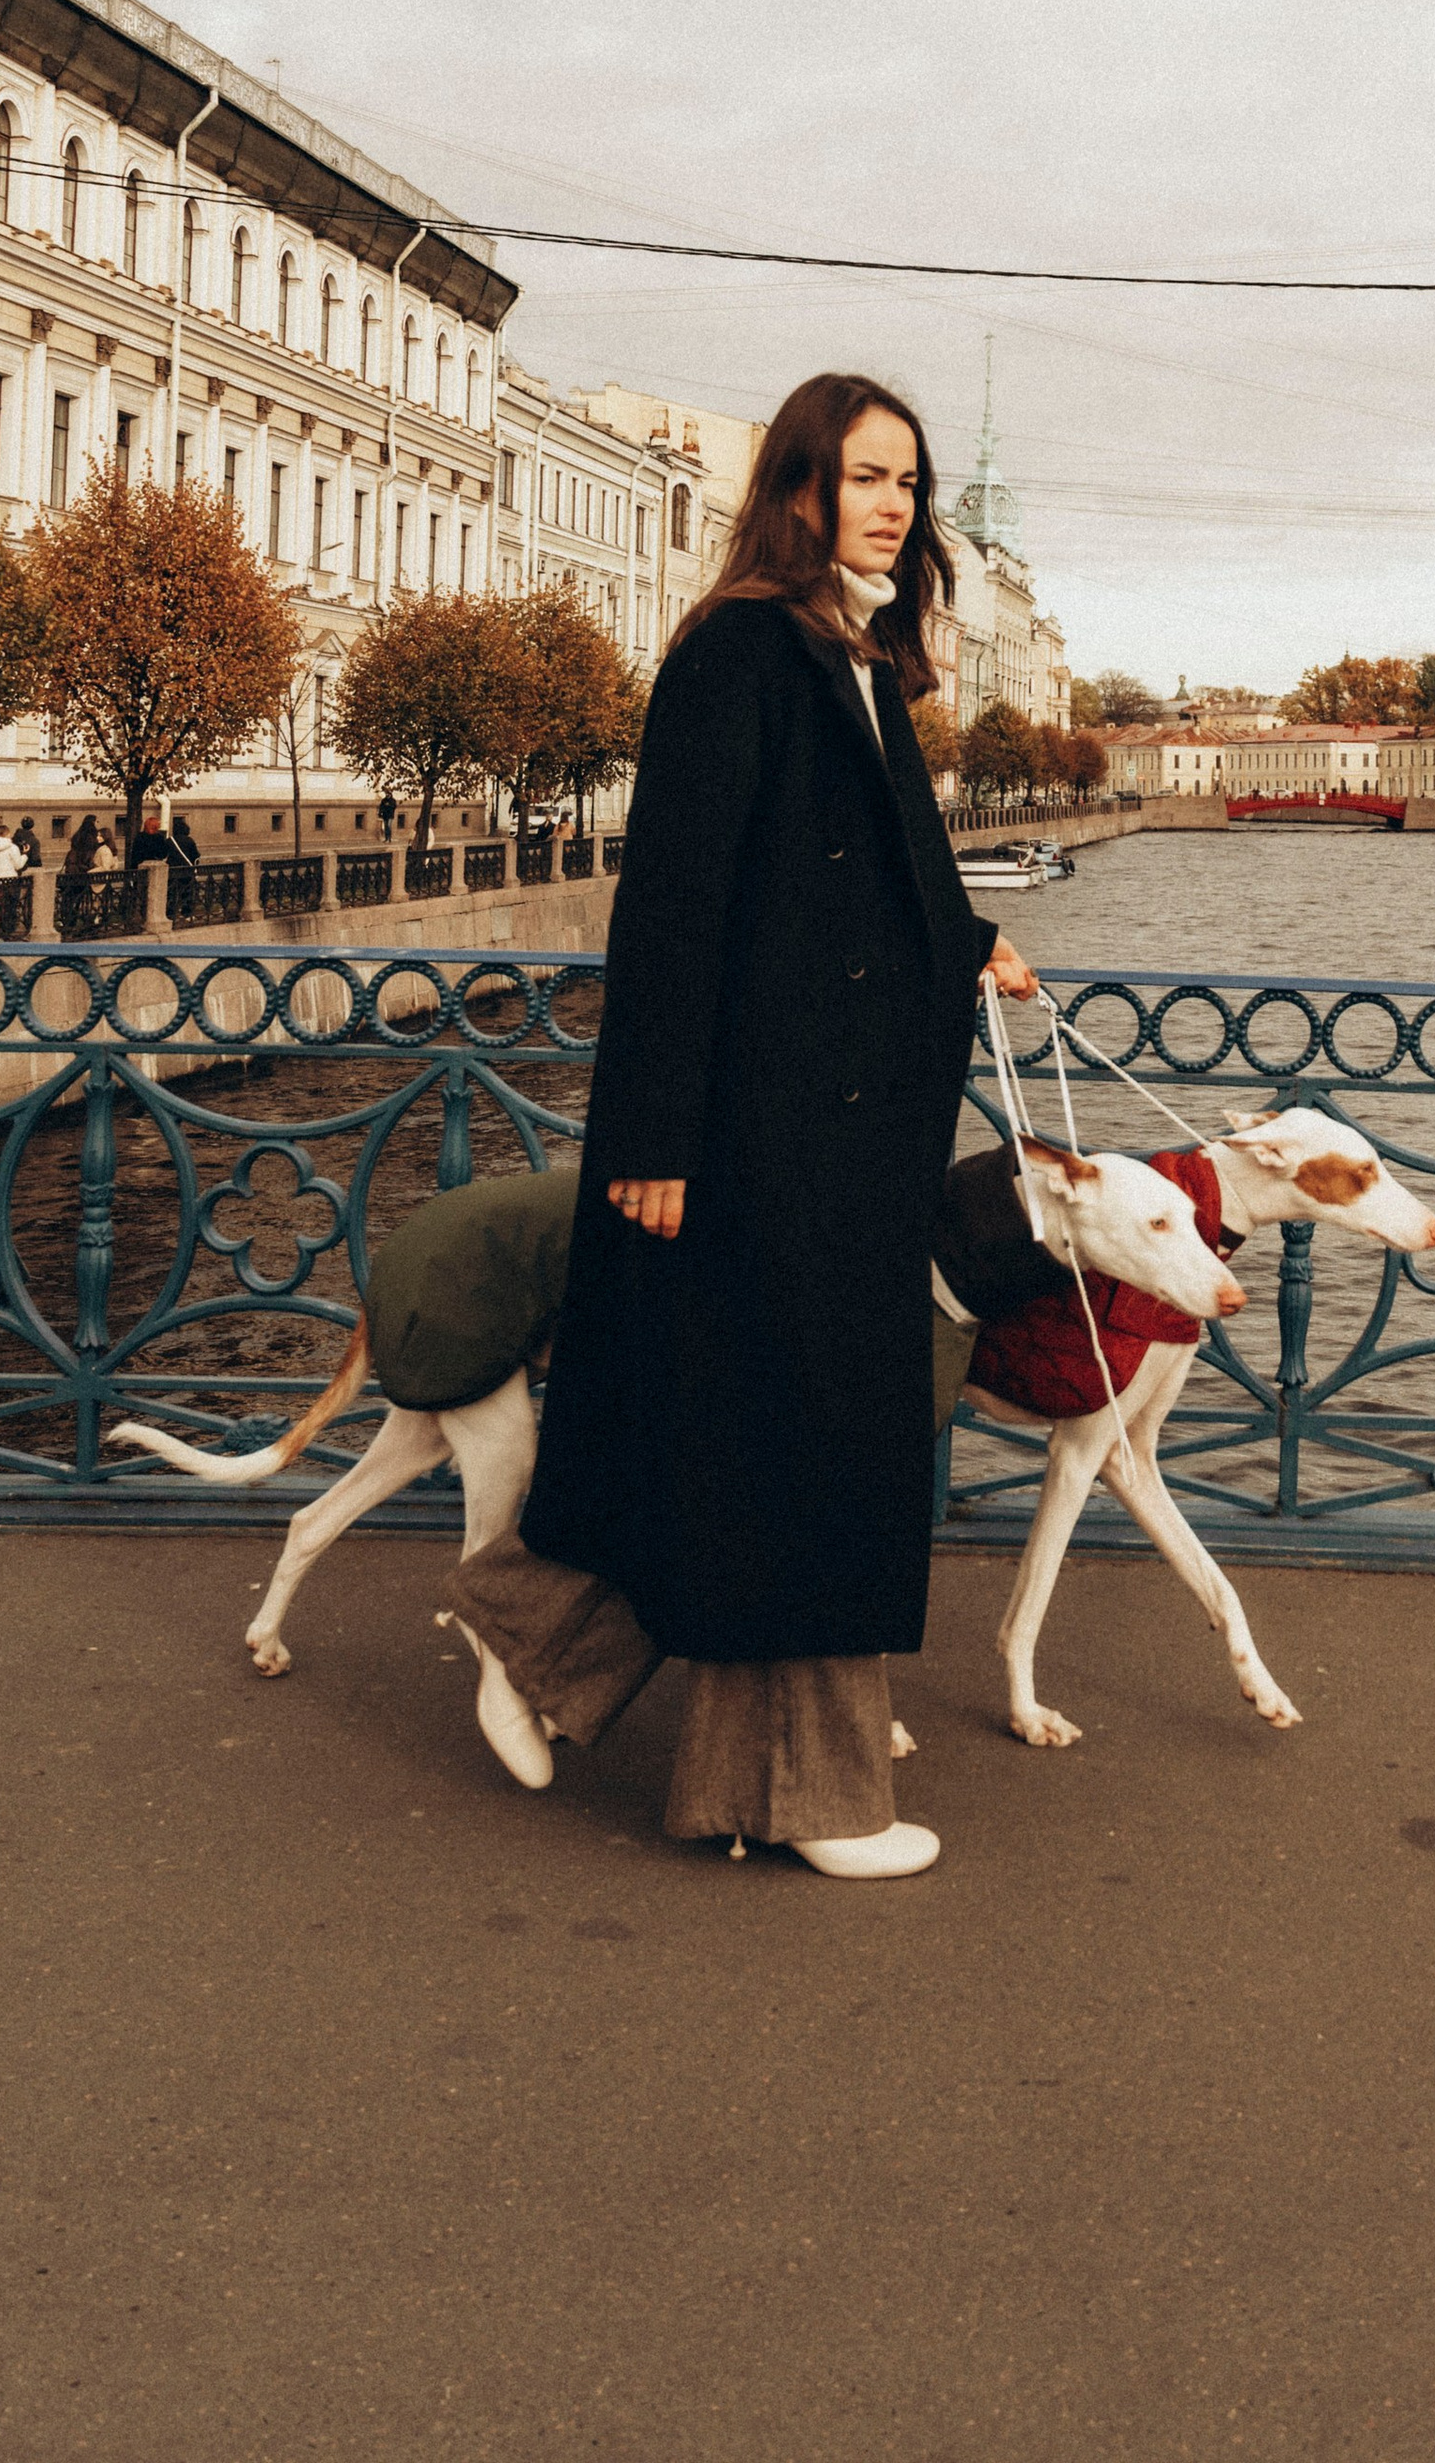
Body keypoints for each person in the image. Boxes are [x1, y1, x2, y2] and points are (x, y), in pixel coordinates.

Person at [447, 372, 1040, 1885]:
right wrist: (648, 1140)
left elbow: (852, 878)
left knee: (765, 1452)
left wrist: (968, 945)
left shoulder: (853, 659)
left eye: (910, 483)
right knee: (802, 1452)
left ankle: (543, 1650)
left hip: (835, 1135)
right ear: (799, 490)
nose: (897, 505)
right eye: (867, 477)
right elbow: (678, 913)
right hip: (762, 1131)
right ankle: (804, 1796)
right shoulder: (741, 657)